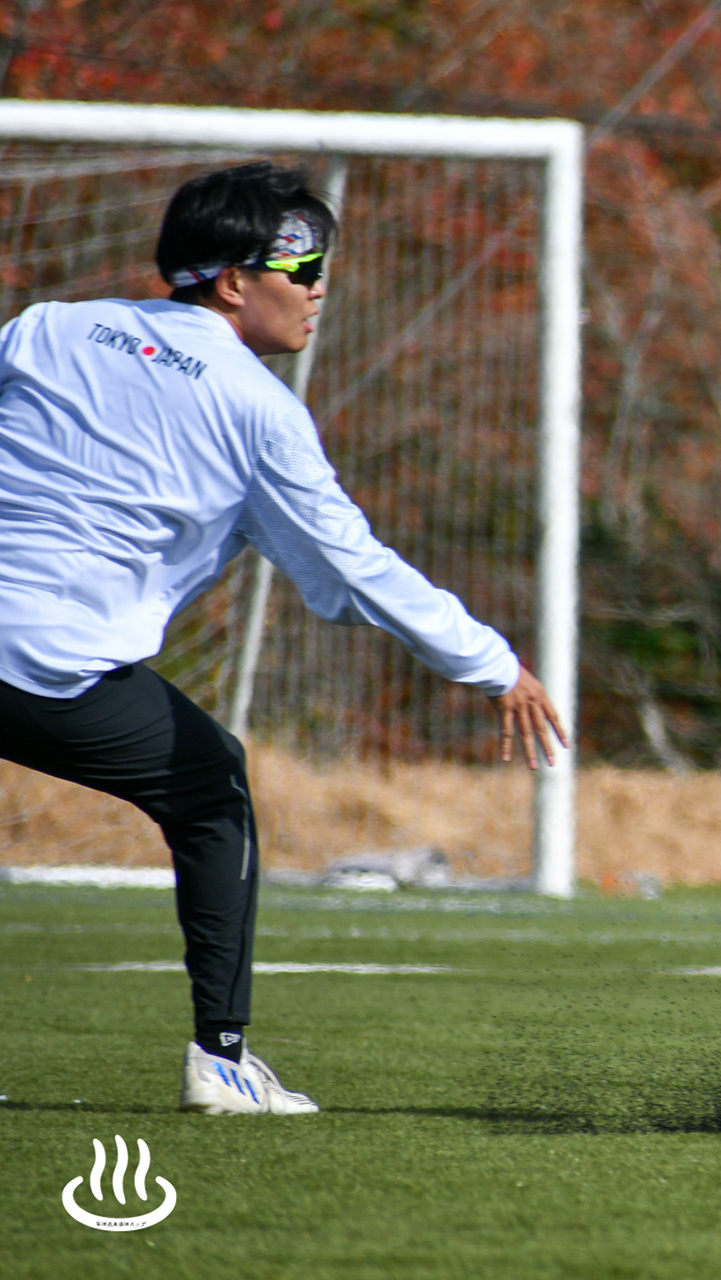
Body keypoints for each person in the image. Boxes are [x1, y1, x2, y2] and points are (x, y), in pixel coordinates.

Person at [0, 161, 567, 1116]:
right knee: (211, 788)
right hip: (48, 666)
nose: (318, 290)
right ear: (232, 281)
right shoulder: (259, 409)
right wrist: (492, 663)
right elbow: (355, 570)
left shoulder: (47, 326)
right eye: (302, 270)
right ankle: (222, 1062)